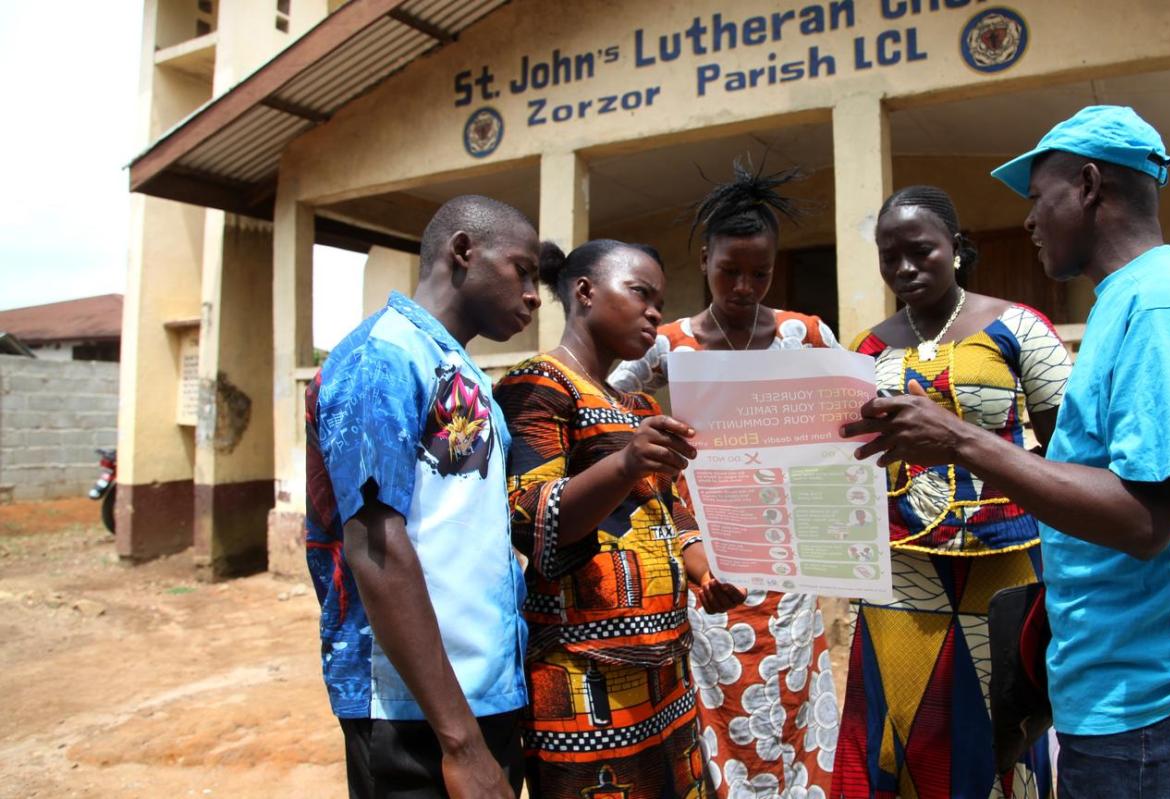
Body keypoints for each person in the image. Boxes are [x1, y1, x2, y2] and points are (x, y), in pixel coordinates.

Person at [844, 106, 1170, 799]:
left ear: (1087, 185)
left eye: (1037, 198)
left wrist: (959, 439)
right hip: (1116, 678)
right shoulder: (1127, 302)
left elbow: (1143, 519)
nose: (1028, 221)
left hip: (1158, 693)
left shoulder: (1161, 308)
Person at [831, 185, 1073, 799]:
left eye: (921, 251)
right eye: (890, 257)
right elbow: (850, 459)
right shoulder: (865, 350)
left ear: (957, 247)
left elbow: (1071, 453)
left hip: (1005, 566)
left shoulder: (1019, 327)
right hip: (900, 574)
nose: (905, 268)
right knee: (903, 721)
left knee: (1001, 725)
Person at [609, 159, 841, 798]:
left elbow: (846, 419)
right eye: (729, 271)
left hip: (789, 562)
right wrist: (648, 436)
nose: (744, 287)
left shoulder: (805, 336)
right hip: (706, 560)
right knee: (718, 705)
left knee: (793, 702)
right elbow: (603, 406)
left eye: (759, 274)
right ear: (705, 260)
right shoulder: (670, 345)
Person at [304, 195, 541, 799]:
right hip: (412, 714)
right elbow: (374, 544)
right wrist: (461, 744)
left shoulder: (458, 369)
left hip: (479, 695)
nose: (535, 295)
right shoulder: (383, 356)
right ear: (463, 251)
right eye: (523, 270)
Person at [495, 239, 746, 798]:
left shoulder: (641, 409)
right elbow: (530, 518)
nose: (654, 313)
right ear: (585, 291)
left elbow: (670, 511)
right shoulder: (539, 386)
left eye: (660, 302)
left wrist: (705, 572)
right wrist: (626, 463)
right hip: (582, 673)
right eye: (640, 294)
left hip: (667, 669)